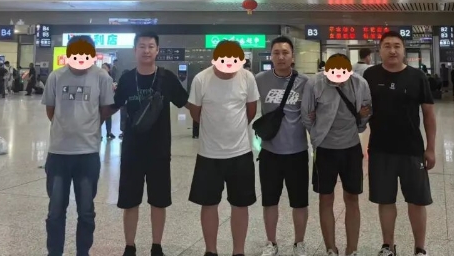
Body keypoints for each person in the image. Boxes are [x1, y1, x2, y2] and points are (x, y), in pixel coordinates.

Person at [113, 32, 189, 256]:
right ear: (135, 50)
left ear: (157, 50)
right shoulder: (127, 79)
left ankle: (157, 245)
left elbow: (187, 103)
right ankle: (130, 246)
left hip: (159, 150)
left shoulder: (167, 78)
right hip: (131, 151)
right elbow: (112, 106)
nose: (146, 50)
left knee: (159, 201)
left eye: (151, 46)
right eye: (142, 46)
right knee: (130, 201)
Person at [362, 31, 436, 256]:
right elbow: (362, 109)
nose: (392, 50)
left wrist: (431, 148)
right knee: (385, 200)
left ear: (404, 50)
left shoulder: (418, 77)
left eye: (397, 46)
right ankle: (388, 245)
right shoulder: (370, 75)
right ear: (380, 50)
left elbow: (429, 114)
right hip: (380, 149)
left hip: (412, 149)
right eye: (387, 46)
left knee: (417, 201)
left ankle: (420, 248)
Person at [42, 35, 115, 256]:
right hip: (58, 153)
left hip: (87, 154)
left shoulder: (101, 77)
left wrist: (87, 128)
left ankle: (83, 252)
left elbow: (105, 110)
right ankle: (54, 252)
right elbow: (51, 111)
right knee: (55, 211)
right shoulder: (56, 76)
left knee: (86, 212)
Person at [187, 41, 259, 256]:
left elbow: (251, 110)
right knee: (209, 204)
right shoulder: (201, 79)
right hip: (209, 154)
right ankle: (211, 250)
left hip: (240, 153)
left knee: (241, 204)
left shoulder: (247, 78)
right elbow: (195, 113)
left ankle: (239, 251)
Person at [302, 54, 371, 256]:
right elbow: (306, 115)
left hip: (351, 148)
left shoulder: (359, 83)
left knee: (352, 198)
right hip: (325, 149)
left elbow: (367, 110)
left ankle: (352, 249)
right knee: (326, 198)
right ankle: (330, 248)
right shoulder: (315, 83)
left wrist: (361, 121)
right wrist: (317, 134)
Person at [255, 37, 310, 256]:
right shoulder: (260, 79)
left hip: (297, 152)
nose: (281, 57)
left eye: (285, 52)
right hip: (270, 152)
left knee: (299, 202)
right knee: (269, 201)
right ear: (270, 56)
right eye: (276, 52)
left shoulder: (304, 82)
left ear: (293, 56)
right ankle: (271, 242)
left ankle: (299, 243)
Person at [101, 63, 116, 140]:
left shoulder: (110, 78)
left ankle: (109, 132)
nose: (103, 69)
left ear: (108, 69)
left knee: (108, 117)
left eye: (105, 68)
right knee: (99, 117)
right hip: (100, 100)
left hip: (108, 100)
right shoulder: (98, 78)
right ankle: (98, 133)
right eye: (102, 67)